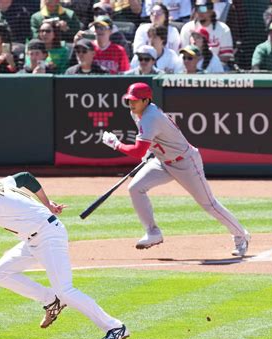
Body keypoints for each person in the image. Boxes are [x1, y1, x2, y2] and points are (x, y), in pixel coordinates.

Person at [0, 161, 129, 339]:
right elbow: (26, 177)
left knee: (65, 290)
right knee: (0, 274)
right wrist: (47, 203)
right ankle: (51, 300)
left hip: (49, 237)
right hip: (33, 238)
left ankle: (115, 327)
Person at [101, 83, 250, 257]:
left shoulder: (151, 116)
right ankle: (153, 232)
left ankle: (241, 235)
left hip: (186, 163)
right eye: (129, 100)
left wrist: (116, 144)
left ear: (146, 100)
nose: (131, 104)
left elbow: (138, 151)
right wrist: (151, 151)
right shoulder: (136, 113)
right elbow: (151, 141)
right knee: (135, 188)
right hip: (163, 162)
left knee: (209, 204)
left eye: (135, 101)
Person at [180, 1, 234, 68]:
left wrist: (207, 61)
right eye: (197, 9)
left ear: (211, 11)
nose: (199, 12)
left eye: (203, 9)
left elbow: (226, 56)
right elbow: (183, 53)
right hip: (191, 66)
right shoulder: (187, 28)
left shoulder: (223, 29)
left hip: (216, 66)